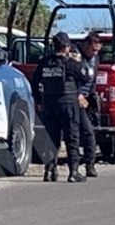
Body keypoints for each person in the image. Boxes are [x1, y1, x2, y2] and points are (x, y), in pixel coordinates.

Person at [34, 32, 92, 182]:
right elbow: (85, 77)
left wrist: (39, 101)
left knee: (52, 138)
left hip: (49, 104)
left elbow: (35, 81)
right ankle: (73, 172)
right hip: (68, 104)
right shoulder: (71, 63)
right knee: (72, 138)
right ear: (66, 46)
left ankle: (49, 170)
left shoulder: (45, 62)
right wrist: (79, 61)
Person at [74, 31, 104, 178]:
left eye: (97, 50)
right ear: (85, 45)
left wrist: (93, 97)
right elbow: (69, 77)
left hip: (86, 99)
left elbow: (92, 79)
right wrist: (77, 94)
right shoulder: (74, 55)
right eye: (93, 49)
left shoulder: (95, 58)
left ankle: (90, 165)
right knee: (78, 134)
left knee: (89, 133)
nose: (94, 53)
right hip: (72, 98)